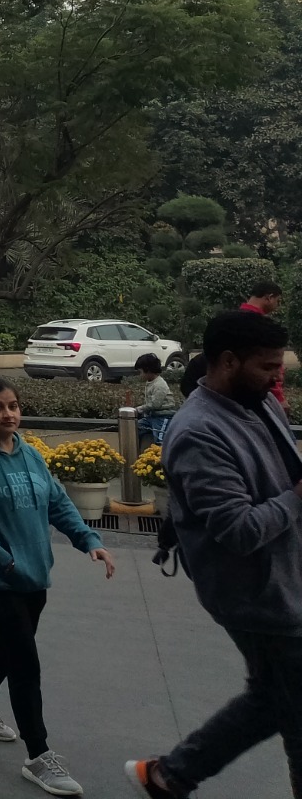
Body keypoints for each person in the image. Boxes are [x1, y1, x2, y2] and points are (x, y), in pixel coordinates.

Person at [125, 309, 302, 798]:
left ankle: (169, 775)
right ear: (228, 361)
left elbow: (284, 474)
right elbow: (238, 530)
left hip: (287, 578)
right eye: (267, 366)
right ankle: (170, 774)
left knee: (275, 699)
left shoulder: (259, 401)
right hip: (258, 596)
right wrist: (296, 499)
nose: (276, 378)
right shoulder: (197, 432)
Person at [0, 376, 116, 796]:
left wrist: (88, 541)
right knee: (25, 662)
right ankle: (39, 755)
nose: (8, 414)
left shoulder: (30, 455)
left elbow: (56, 501)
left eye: (13, 406)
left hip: (35, 574)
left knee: (7, 647)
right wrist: (3, 559)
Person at [240, 280, 286, 410]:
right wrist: (279, 398)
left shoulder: (234, 321)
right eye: (278, 301)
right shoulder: (260, 326)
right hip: (263, 394)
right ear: (269, 297)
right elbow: (268, 365)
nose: (277, 306)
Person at [134, 353, 177, 448]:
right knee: (134, 428)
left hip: (163, 416)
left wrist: (139, 409)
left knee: (160, 440)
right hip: (152, 416)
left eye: (140, 372)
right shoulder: (150, 382)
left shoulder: (159, 384)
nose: (139, 375)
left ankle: (160, 461)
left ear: (148, 370)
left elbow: (155, 404)